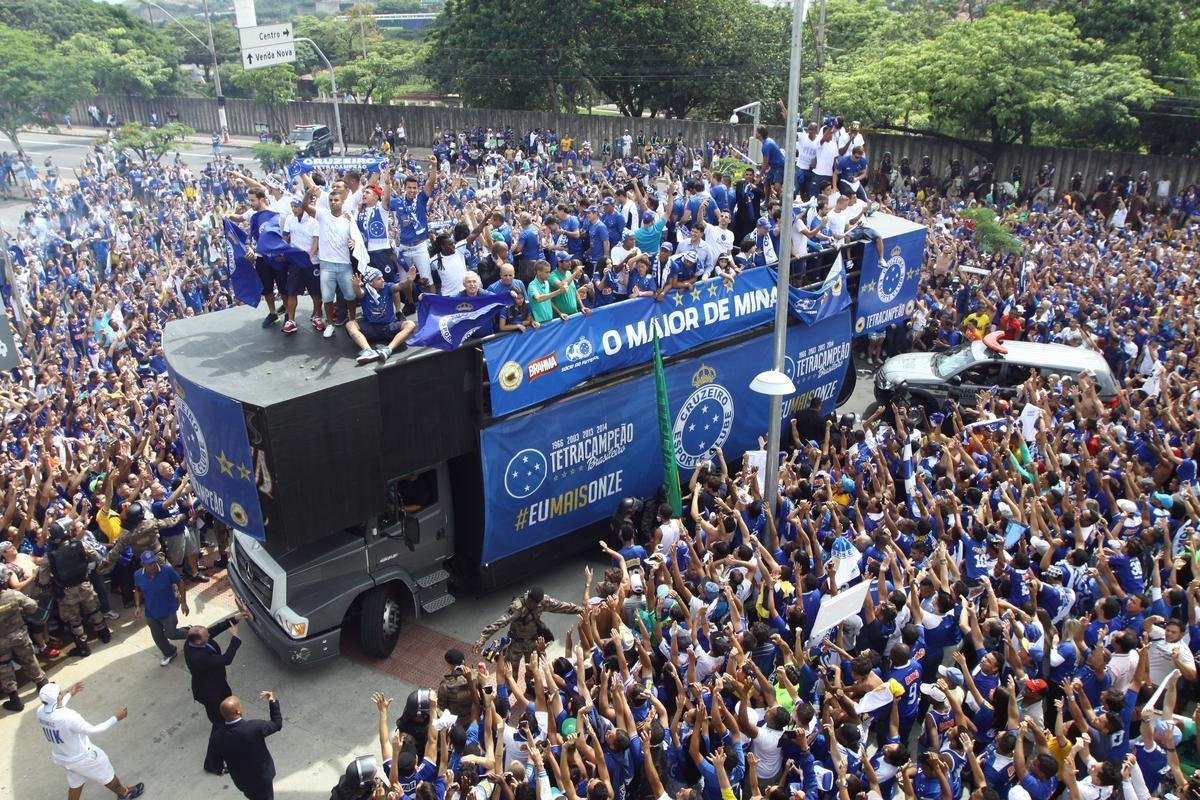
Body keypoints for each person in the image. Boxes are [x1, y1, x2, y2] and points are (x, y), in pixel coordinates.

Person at [36, 682, 144, 800]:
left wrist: (70, 694)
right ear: (58, 697)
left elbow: (56, 708)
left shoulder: (41, 711)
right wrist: (116, 718)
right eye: (61, 692)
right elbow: (94, 730)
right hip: (83, 758)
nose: (62, 692)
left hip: (63, 758)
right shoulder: (69, 717)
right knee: (107, 775)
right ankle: (124, 794)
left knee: (75, 784)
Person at [185, 610, 253, 775]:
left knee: (223, 723)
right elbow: (226, 659)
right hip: (211, 694)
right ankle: (212, 763)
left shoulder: (194, 641)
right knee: (219, 726)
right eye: (206, 636)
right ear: (199, 641)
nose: (209, 635)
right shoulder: (198, 657)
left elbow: (212, 631)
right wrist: (235, 638)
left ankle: (232, 742)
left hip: (218, 686)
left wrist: (234, 619)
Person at [40, 518, 111, 658]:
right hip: (84, 584)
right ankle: (105, 635)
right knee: (94, 610)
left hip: (66, 591)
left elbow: (43, 578)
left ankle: (83, 648)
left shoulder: (49, 555)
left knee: (74, 621)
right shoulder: (80, 544)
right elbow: (96, 557)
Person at [474, 586, 582, 668]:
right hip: (517, 644)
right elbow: (499, 623)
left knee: (532, 671)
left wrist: (580, 609)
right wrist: (482, 639)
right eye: (533, 603)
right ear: (529, 598)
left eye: (537, 603)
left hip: (532, 642)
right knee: (511, 672)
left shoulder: (543, 601)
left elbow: (560, 606)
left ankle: (530, 691)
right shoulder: (517, 607)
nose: (536, 605)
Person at [208, 691, 283, 800]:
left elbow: (214, 761)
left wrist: (219, 770)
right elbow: (277, 724)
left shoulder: (216, 738)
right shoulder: (255, 727)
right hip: (262, 777)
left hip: (243, 782)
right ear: (238, 711)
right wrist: (272, 701)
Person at [346, 267, 417, 365]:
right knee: (350, 324)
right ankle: (368, 351)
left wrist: (409, 280)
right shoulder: (365, 291)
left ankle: (388, 350)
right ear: (371, 282)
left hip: (389, 326)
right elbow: (359, 293)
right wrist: (356, 286)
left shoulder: (388, 287)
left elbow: (400, 285)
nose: (383, 280)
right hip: (371, 328)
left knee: (410, 324)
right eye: (379, 279)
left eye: (382, 277)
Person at [132, 549, 189, 667]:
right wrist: (137, 606)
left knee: (171, 633)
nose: (153, 566)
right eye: (149, 564)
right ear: (143, 564)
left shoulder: (166, 570)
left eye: (153, 562)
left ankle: (191, 632)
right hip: (151, 612)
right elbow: (137, 590)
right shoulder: (138, 575)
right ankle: (170, 652)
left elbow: (180, 583)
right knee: (157, 637)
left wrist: (184, 602)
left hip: (168, 609)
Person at [0, 584, 47, 711]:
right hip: (19, 636)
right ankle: (43, 685)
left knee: (3, 667)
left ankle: (15, 699)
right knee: (29, 659)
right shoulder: (13, 595)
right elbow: (32, 607)